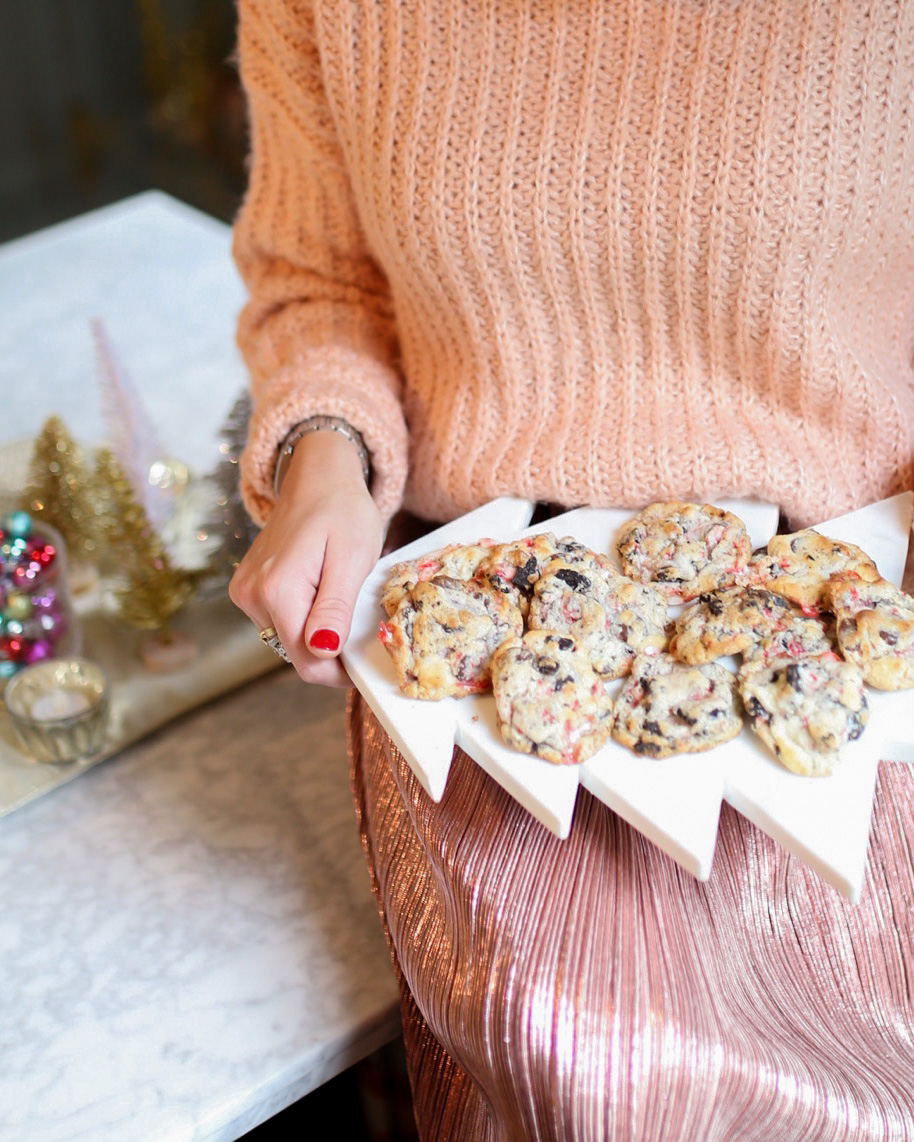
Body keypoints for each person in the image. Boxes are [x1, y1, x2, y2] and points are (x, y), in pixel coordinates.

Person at [229, 1, 914, 1137]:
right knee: (563, 1072)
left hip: (851, 647)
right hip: (478, 686)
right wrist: (324, 460)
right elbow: (318, 285)